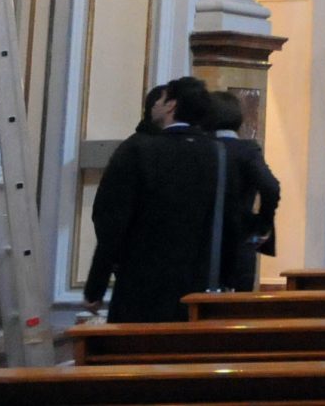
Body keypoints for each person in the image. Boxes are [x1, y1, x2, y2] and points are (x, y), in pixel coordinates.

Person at [82, 76, 224, 322]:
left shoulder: (138, 150)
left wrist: (96, 285)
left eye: (162, 98)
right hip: (198, 287)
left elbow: (111, 222)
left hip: (141, 285)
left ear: (171, 105)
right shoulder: (218, 153)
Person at [207, 89, 281, 292]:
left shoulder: (201, 149)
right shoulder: (247, 150)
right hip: (239, 237)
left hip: (203, 240)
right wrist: (262, 222)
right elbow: (270, 187)